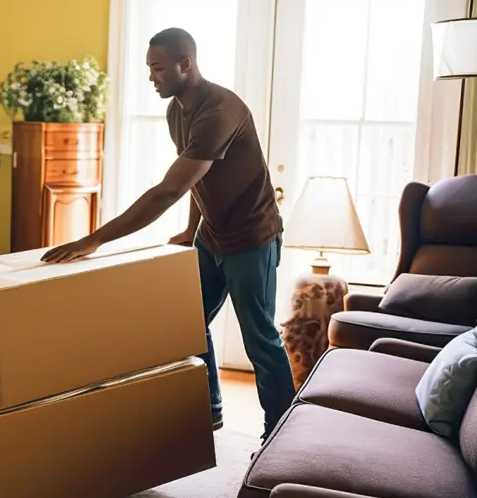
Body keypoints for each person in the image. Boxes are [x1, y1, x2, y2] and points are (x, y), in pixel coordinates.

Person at [41, 27, 295, 441]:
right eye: (149, 68)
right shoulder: (177, 109)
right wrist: (191, 228)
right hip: (210, 237)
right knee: (186, 322)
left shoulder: (220, 112)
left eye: (157, 68)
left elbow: (169, 189)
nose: (151, 77)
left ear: (186, 64)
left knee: (260, 340)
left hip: (252, 240)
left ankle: (281, 437)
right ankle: (209, 407)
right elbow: (200, 177)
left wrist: (95, 239)